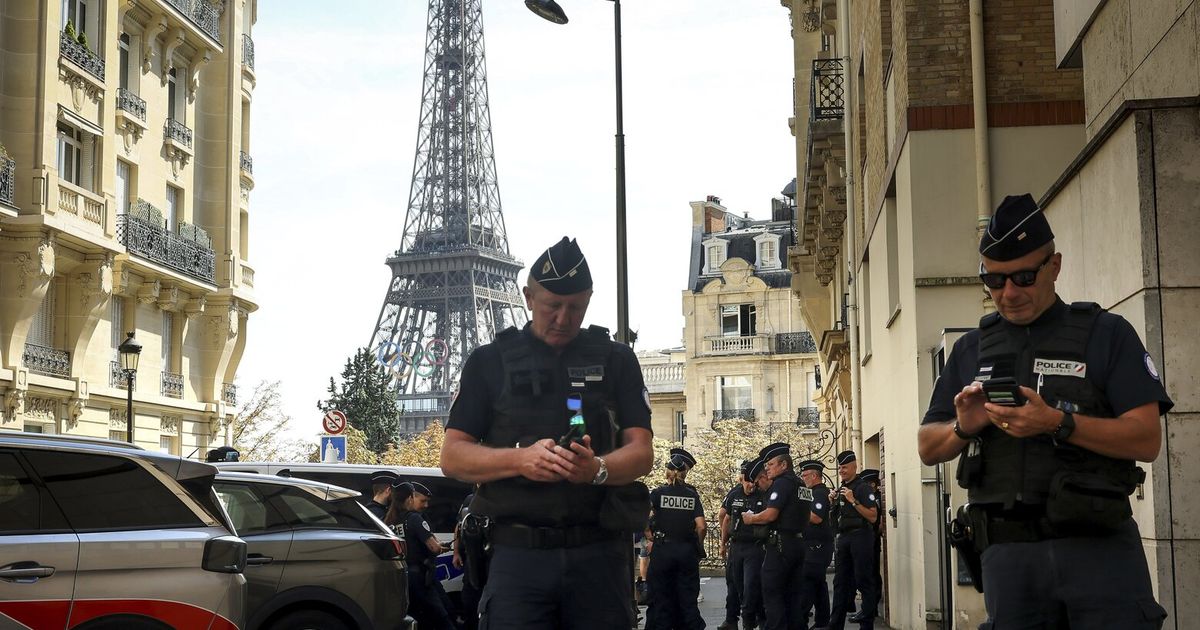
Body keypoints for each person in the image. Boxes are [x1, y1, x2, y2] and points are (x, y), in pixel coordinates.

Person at [917, 193, 1172, 628]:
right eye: (993, 280)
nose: (1008, 293)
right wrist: (964, 427)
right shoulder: (971, 349)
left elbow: (1146, 439)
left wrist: (1056, 422)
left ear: (1053, 266)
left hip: (1099, 552)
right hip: (1011, 562)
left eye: (1022, 276)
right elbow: (927, 446)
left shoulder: (1106, 334)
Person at [440, 236, 655, 630]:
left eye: (576, 307)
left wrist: (598, 469)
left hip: (599, 553)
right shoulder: (489, 362)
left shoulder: (617, 360)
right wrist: (520, 459)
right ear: (527, 296)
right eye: (552, 306)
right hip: (517, 555)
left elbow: (642, 451)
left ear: (589, 299)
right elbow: (452, 457)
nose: (563, 318)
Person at [742, 442, 812, 630]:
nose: (767, 469)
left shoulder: (782, 483)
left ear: (783, 465)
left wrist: (751, 519)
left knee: (773, 594)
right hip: (798, 544)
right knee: (793, 597)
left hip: (781, 547)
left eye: (770, 465)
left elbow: (771, 514)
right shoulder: (801, 484)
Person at [645, 447, 706, 630]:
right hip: (686, 551)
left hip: (663, 550)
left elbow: (643, 517)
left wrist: (650, 536)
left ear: (667, 473)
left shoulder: (657, 493)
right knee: (688, 600)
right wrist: (698, 545)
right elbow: (702, 526)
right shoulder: (692, 495)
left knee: (660, 597)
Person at [387, 482, 456, 630]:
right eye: (423, 501)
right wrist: (442, 548)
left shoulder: (392, 520)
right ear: (410, 498)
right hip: (421, 577)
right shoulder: (415, 519)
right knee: (442, 616)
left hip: (404, 578)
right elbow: (434, 547)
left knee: (418, 618)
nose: (426, 506)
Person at [827, 450, 878, 630]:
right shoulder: (841, 488)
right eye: (840, 467)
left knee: (864, 580)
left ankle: (867, 624)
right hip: (844, 538)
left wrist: (853, 500)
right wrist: (831, 502)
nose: (842, 470)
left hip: (860, 537)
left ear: (855, 467)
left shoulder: (862, 488)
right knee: (840, 582)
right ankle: (835, 624)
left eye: (845, 467)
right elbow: (834, 519)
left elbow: (873, 516)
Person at [718, 459, 765, 630]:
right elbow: (726, 518)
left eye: (753, 481)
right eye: (747, 481)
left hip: (755, 547)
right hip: (737, 546)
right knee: (735, 584)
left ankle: (750, 621)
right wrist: (723, 544)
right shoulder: (734, 494)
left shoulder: (762, 494)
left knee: (751, 585)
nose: (750, 485)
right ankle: (734, 620)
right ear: (741, 480)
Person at [797, 459, 834, 630]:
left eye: (805, 475)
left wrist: (796, 513)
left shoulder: (819, 493)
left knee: (809, 582)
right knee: (818, 583)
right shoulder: (810, 492)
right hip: (813, 545)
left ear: (814, 475)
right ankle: (822, 621)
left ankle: (801, 617)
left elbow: (817, 517)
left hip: (817, 547)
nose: (803, 478)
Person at [849, 469, 883, 624]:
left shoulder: (874, 499)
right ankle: (869, 609)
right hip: (868, 539)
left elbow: (877, 520)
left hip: (871, 539)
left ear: (873, 484)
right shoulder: (872, 497)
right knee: (868, 574)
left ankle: (870, 609)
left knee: (870, 575)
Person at [452, 484, 484, 630]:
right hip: (471, 558)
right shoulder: (470, 500)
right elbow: (459, 526)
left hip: (491, 558)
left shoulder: (499, 500)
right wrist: (456, 552)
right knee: (470, 600)